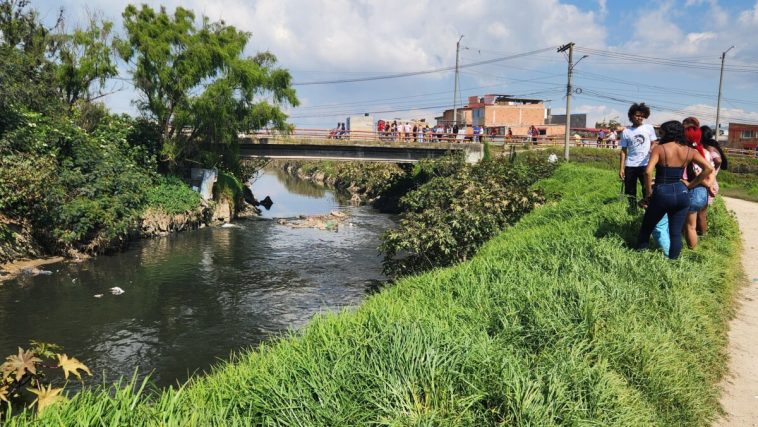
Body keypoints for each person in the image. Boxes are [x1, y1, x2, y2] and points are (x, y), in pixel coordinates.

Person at [637, 121, 713, 259]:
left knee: (646, 228)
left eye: (662, 132)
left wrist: (649, 194)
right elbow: (709, 168)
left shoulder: (660, 148)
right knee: (675, 233)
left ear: (668, 132)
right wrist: (690, 185)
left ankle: (641, 258)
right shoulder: (690, 150)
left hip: (662, 191)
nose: (660, 135)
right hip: (681, 192)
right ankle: (674, 262)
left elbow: (648, 172)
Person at [681, 117, 713, 250]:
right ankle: (692, 249)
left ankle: (692, 251)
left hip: (691, 192)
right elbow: (710, 178)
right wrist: (706, 184)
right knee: (692, 225)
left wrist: (689, 184)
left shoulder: (685, 152)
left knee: (689, 227)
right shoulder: (705, 153)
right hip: (702, 194)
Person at [619, 103, 658, 212]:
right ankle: (632, 210)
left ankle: (648, 210)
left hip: (645, 164)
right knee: (630, 191)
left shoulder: (649, 128)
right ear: (631, 116)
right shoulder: (626, 132)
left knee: (647, 188)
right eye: (637, 115)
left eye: (642, 115)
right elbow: (623, 151)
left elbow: (654, 142)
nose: (640, 117)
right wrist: (621, 168)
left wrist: (652, 148)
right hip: (630, 165)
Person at [698, 125, 728, 235]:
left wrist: (711, 171)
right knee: (700, 213)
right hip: (710, 182)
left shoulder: (709, 148)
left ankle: (703, 236)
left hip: (709, 183)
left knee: (701, 213)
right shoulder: (711, 146)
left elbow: (718, 160)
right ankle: (700, 234)